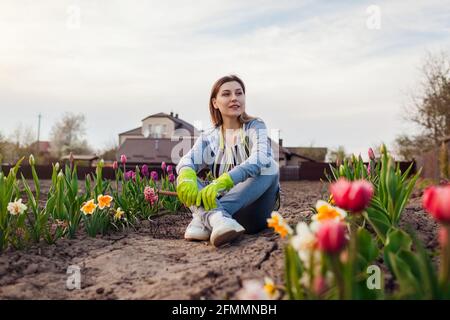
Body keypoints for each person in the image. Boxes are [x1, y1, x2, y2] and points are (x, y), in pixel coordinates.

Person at [175, 75, 280, 247]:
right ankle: (218, 220)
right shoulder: (209, 136)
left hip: (255, 213)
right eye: (226, 94)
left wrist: (226, 180)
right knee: (184, 178)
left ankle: (203, 220)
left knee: (270, 166)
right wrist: (186, 173)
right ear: (215, 103)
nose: (234, 98)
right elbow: (187, 160)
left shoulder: (255, 126)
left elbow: (260, 157)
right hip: (226, 220)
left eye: (239, 93)